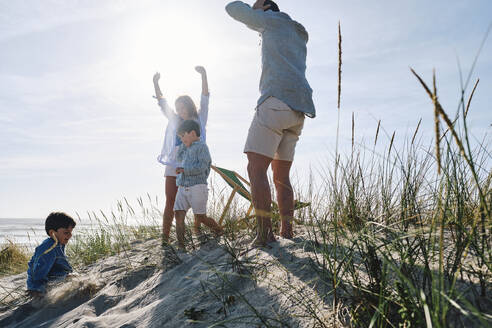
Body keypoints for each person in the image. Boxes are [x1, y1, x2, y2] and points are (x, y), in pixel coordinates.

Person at [225, 0, 316, 246]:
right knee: (281, 176)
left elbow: (233, 8)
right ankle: (287, 231)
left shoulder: (271, 21)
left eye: (258, 6)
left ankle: (264, 234)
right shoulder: (297, 32)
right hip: (299, 109)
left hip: (275, 102)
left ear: (266, 7)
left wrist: (253, 9)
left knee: (256, 169)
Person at [153, 66, 210, 244]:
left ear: (189, 105)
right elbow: (162, 104)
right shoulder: (175, 120)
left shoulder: (199, 118)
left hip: (194, 160)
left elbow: (205, 98)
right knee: (171, 198)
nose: (180, 110)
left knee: (195, 198)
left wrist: (204, 76)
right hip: (175, 160)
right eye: (177, 108)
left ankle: (197, 231)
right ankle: (165, 237)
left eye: (182, 106)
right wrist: (155, 83)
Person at [173, 120, 222, 250]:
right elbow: (178, 158)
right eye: (180, 137)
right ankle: (181, 246)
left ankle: (218, 230)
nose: (181, 139)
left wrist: (185, 170)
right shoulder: (186, 147)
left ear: (193, 133)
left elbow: (202, 166)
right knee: (178, 214)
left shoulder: (202, 147)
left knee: (201, 217)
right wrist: (183, 146)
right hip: (182, 186)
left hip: (197, 187)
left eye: (183, 136)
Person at [26, 212, 76, 296]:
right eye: (66, 232)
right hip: (40, 289)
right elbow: (37, 273)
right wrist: (36, 290)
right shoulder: (48, 248)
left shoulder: (59, 243)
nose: (70, 235)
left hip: (56, 278)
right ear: (52, 233)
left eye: (71, 232)